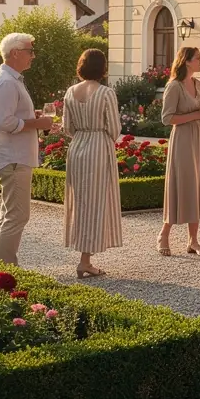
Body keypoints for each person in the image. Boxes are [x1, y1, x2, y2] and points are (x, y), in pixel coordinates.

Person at [0, 32, 54, 265]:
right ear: (15, 53)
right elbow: (3, 122)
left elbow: (9, 117)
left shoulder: (10, 79)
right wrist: (38, 123)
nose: (33, 56)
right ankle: (6, 272)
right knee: (17, 216)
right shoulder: (6, 82)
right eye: (29, 51)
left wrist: (30, 117)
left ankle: (3, 269)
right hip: (13, 158)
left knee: (10, 215)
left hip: (14, 157)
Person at [62, 48, 122, 277]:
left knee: (81, 202)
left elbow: (68, 128)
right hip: (99, 145)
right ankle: (84, 261)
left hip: (77, 147)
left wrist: (82, 134)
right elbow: (114, 129)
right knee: (96, 202)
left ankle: (84, 258)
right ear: (102, 68)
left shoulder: (70, 92)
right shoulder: (106, 93)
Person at [158, 46, 200, 256]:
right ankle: (164, 234)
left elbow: (199, 111)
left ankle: (193, 241)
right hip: (182, 139)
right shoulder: (174, 87)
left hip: (198, 137)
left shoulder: (197, 83)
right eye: (198, 58)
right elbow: (167, 118)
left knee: (197, 186)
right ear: (187, 61)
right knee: (180, 185)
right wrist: (199, 114)